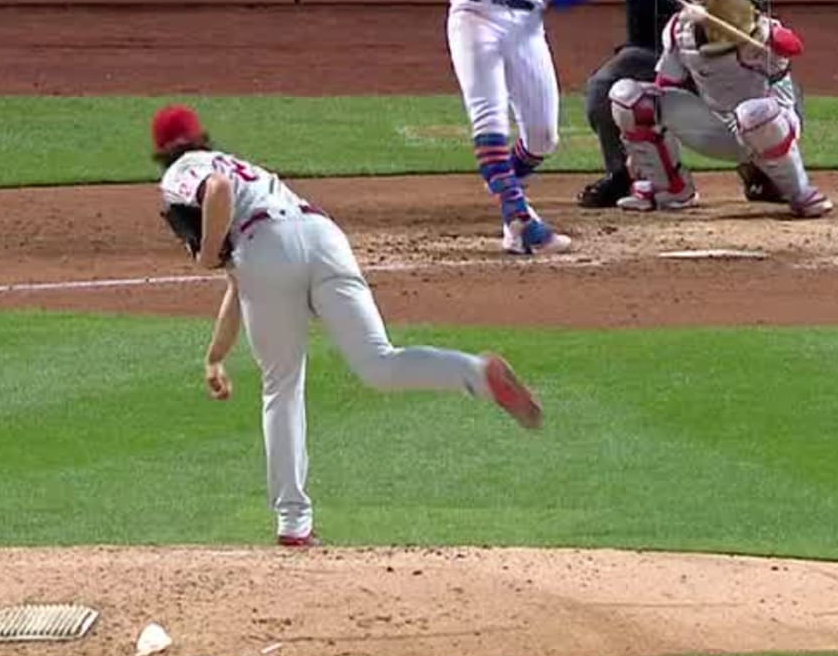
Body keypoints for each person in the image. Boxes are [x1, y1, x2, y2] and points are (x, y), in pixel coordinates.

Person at [152, 105, 545, 549]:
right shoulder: (250, 174)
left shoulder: (183, 172)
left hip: (265, 251)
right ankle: (475, 374)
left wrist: (205, 254)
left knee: (282, 387)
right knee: (380, 363)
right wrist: (215, 355)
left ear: (164, 150)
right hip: (322, 237)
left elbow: (219, 197)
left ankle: (293, 522)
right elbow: (240, 279)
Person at [449, 0, 643, 256]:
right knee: (491, 119)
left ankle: (502, 181)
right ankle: (519, 219)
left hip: (527, 25)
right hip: (477, 13)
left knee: (542, 137)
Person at [576, 0, 781, 210]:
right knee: (604, 85)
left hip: (723, 57)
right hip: (655, 50)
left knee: (775, 92)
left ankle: (761, 169)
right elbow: (638, 31)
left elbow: (758, 35)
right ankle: (622, 175)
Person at [607, 0, 832, 218]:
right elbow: (666, 87)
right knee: (630, 98)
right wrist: (640, 141)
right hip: (714, 127)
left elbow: (793, 47)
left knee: (752, 113)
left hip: (772, 126)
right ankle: (671, 191)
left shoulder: (759, 27)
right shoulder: (679, 30)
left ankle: (801, 193)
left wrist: (759, 36)